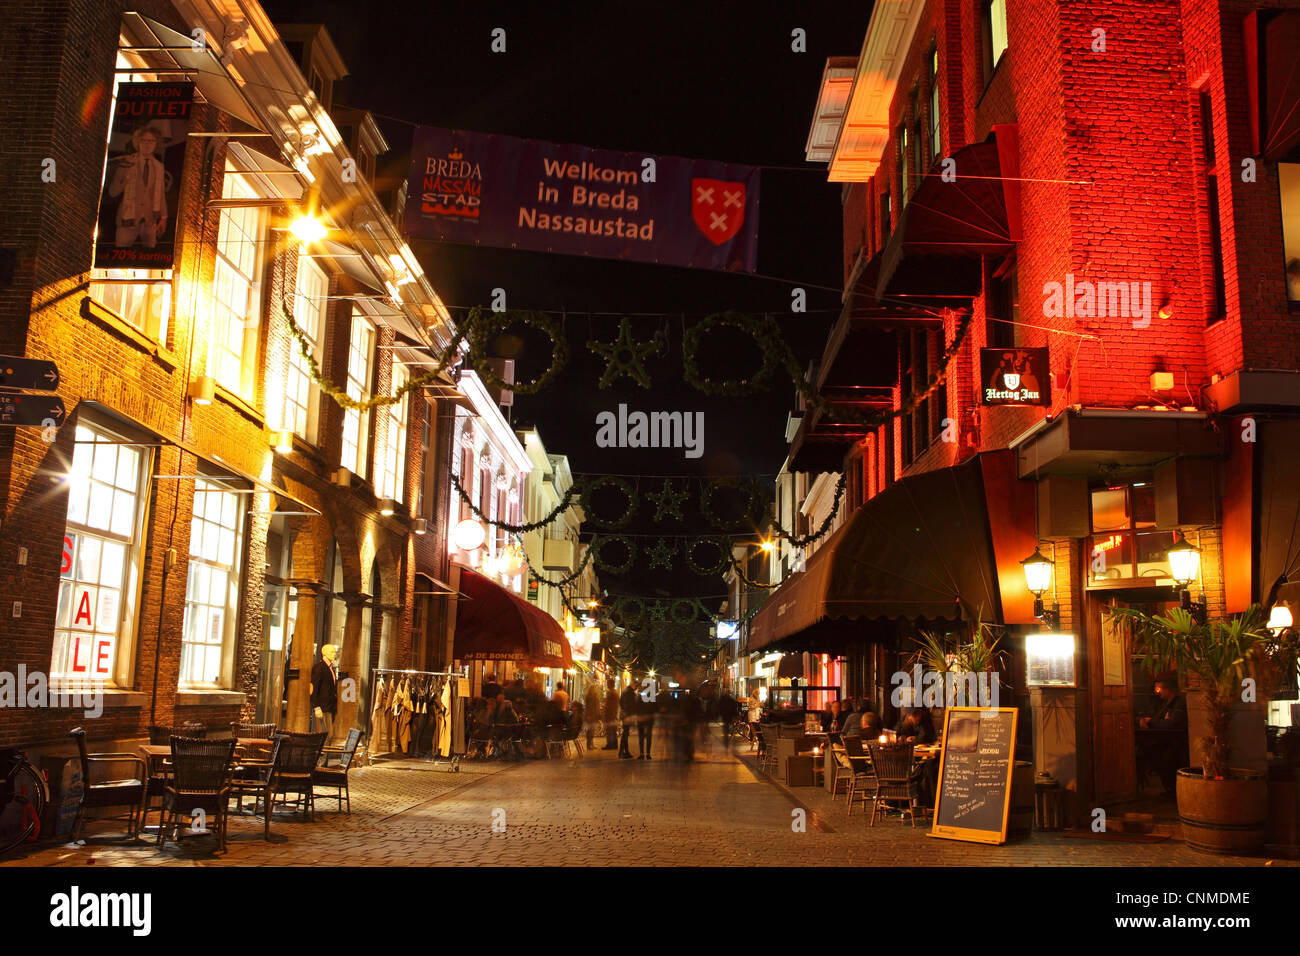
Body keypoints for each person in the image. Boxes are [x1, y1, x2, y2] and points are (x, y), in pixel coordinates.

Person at [107, 125, 168, 250]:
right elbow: (113, 192)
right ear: (137, 142)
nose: (147, 144)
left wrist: (163, 218)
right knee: (119, 254)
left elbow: (160, 193)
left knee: (150, 256)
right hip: (127, 219)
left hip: (150, 221)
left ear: (156, 144)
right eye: (144, 140)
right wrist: (125, 178)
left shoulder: (159, 166)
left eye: (151, 141)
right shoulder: (127, 162)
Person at [1137, 678, 1188, 794]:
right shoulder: (1166, 703)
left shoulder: (1179, 703)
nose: (1158, 692)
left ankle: (1173, 789)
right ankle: (1170, 787)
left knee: (1159, 755)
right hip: (1165, 740)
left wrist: (1150, 723)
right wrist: (1149, 720)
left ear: (1168, 690)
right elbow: (1159, 719)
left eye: (1159, 689)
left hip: (1176, 742)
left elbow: (1173, 723)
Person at [310, 644, 338, 738]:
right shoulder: (319, 668)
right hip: (323, 707)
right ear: (324, 653)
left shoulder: (331, 668)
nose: (334, 654)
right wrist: (316, 707)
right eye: (332, 652)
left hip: (330, 707)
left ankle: (325, 751)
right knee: (323, 735)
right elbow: (314, 688)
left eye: (335, 652)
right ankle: (322, 752)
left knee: (329, 735)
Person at [638, 680, 658, 759]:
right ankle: (648, 753)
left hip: (641, 718)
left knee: (641, 736)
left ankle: (641, 753)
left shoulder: (640, 695)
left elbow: (637, 705)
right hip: (649, 719)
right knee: (649, 737)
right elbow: (655, 707)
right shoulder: (652, 696)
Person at [619, 681, 639, 758]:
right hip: (627, 715)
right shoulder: (629, 693)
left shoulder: (625, 691)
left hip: (625, 715)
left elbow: (621, 703)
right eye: (636, 687)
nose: (636, 688)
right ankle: (621, 752)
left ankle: (626, 751)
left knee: (626, 733)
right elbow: (630, 704)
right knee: (625, 734)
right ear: (633, 685)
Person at [603, 678, 620, 750]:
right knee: (613, 730)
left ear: (610, 684)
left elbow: (608, 705)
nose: (607, 685)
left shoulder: (611, 693)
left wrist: (605, 712)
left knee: (609, 730)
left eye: (607, 684)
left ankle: (610, 744)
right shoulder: (616, 692)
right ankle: (614, 744)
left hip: (610, 714)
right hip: (613, 713)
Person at [584, 683, 602, 750]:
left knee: (592, 730)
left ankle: (591, 744)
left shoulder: (593, 696)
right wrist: (589, 715)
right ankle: (589, 744)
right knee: (590, 731)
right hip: (591, 715)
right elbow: (590, 707)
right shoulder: (590, 697)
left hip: (593, 715)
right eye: (594, 689)